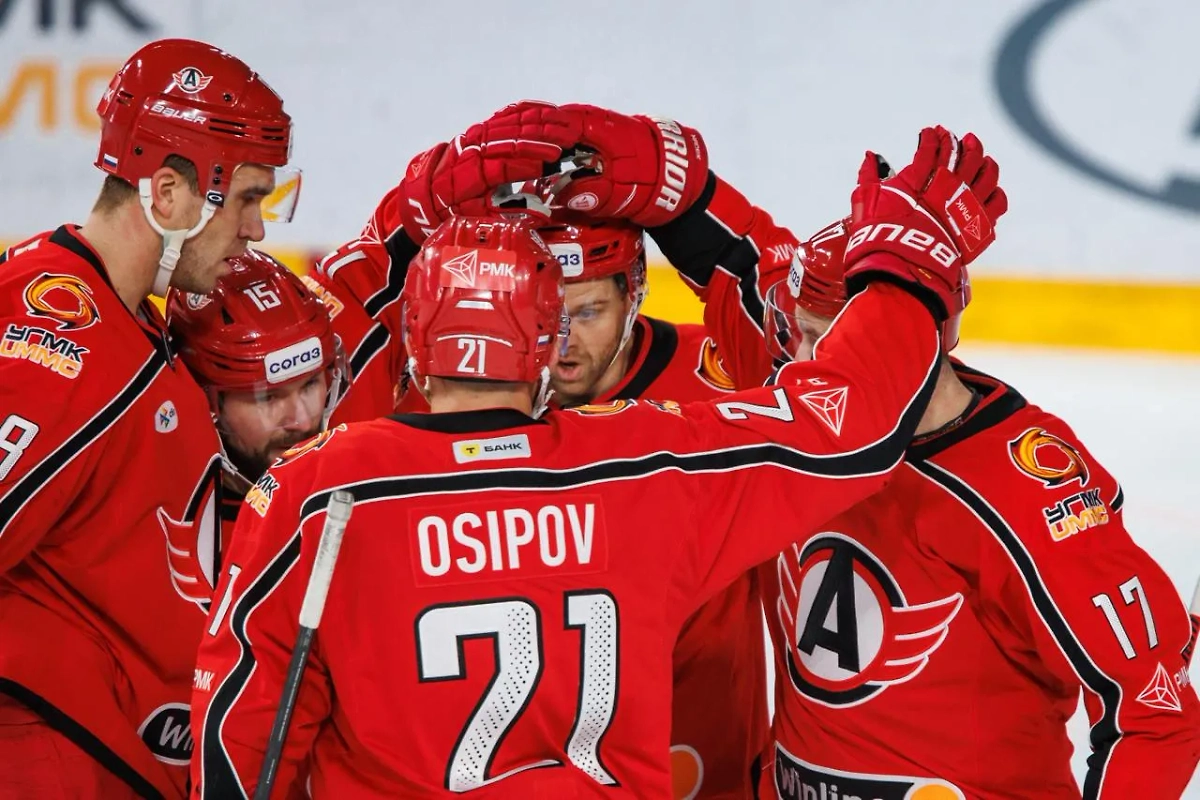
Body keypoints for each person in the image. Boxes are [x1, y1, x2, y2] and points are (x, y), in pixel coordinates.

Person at [188, 126, 1005, 798]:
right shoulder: (642, 465)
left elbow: (240, 731)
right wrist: (907, 266)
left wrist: (405, 217)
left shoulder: (316, 488)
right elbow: (848, 426)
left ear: (414, 342)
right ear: (544, 346)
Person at [627, 135, 1200, 797]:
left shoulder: (1021, 482)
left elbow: (1152, 719)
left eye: (832, 340)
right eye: (799, 334)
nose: (806, 368)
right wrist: (672, 185)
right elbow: (737, 264)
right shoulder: (801, 414)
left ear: (917, 329)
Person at [307, 108, 795, 797]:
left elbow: (818, 349)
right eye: (537, 313)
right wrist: (407, 216)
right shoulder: (437, 398)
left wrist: (698, 208)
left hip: (704, 765)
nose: (557, 343)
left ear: (634, 292)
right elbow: (305, 375)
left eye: (586, 311)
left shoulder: (716, 378)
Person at [0, 38, 299, 798]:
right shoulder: (64, 340)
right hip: (53, 757)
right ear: (167, 194)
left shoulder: (124, 317)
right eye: (247, 198)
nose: (257, 229)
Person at [165, 249, 347, 532]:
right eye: (268, 397)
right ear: (203, 399)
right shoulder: (158, 516)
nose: (302, 421)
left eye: (310, 384)